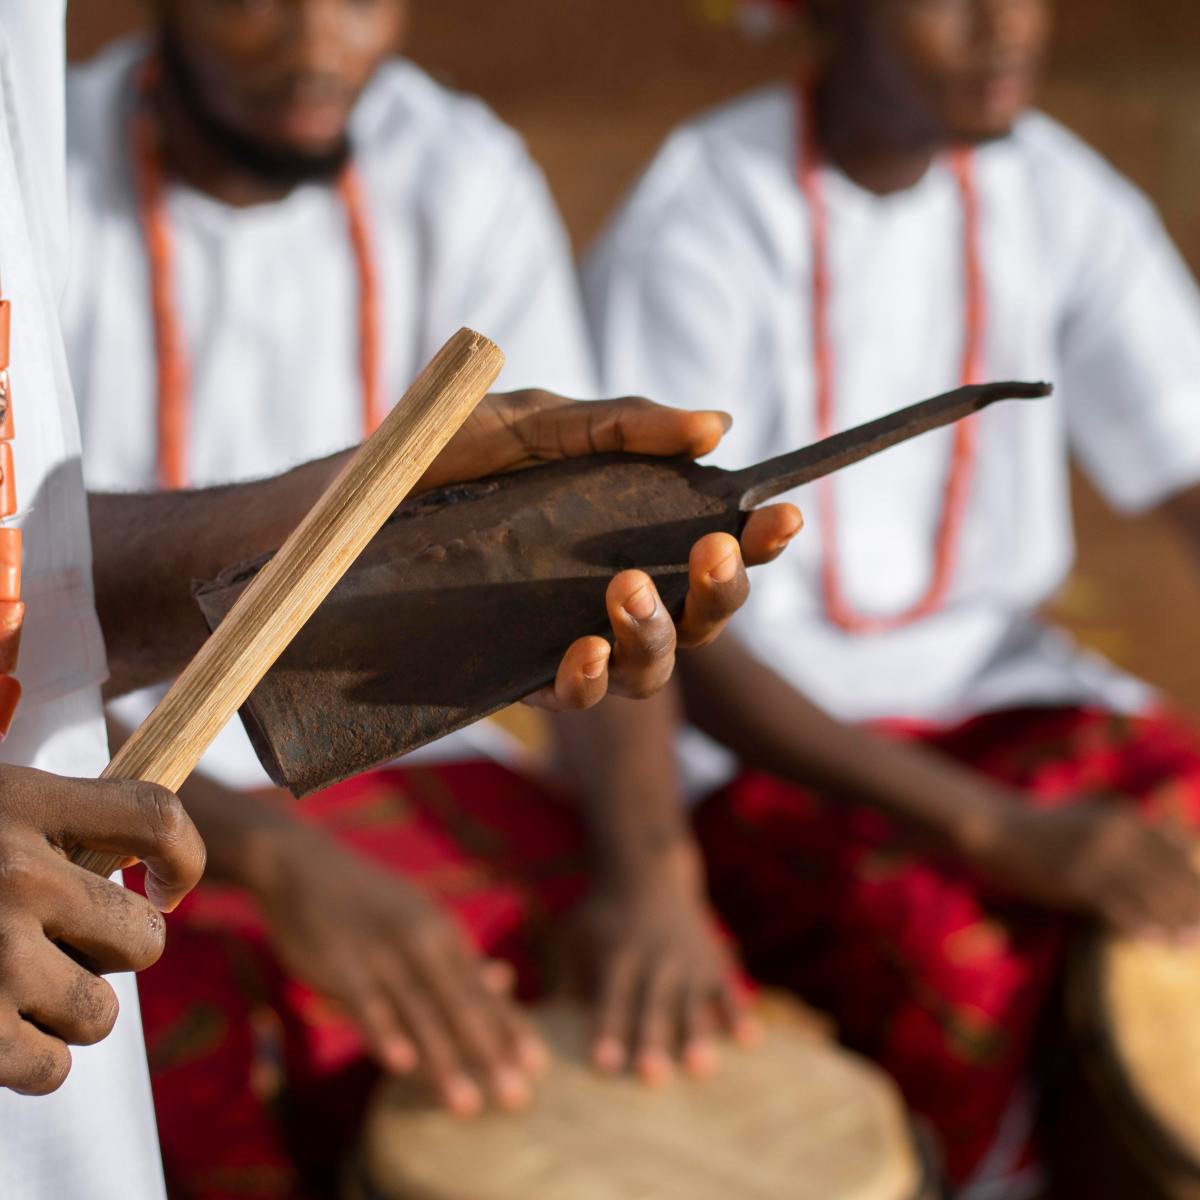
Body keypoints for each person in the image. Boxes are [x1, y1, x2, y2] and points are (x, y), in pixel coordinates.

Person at [0, 5, 796, 1199]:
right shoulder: (63, 152)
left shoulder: (459, 169)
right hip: (138, 820)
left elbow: (36, 577)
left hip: (365, 779)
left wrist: (654, 875)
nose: (323, 41)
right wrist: (269, 853)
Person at [586, 0, 1200, 1196]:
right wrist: (997, 831)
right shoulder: (702, 214)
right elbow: (656, 621)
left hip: (1003, 693)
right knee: (956, 966)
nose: (1004, 27)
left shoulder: (1052, 189)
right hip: (771, 751)